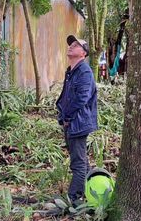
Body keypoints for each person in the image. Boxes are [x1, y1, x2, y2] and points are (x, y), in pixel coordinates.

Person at [55, 35, 98, 206]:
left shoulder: (84, 71)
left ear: (84, 53)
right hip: (71, 121)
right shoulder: (71, 71)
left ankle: (73, 199)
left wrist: (68, 116)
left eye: (76, 45)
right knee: (81, 160)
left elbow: (82, 98)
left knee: (78, 164)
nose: (71, 47)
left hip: (77, 123)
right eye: (70, 44)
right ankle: (92, 190)